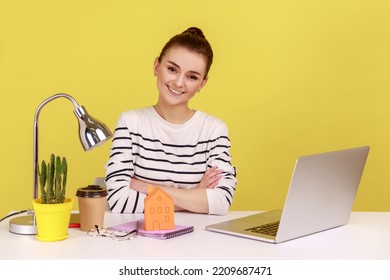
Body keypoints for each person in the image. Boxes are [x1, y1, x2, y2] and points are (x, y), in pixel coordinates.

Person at [105, 27, 237, 215]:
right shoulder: (130, 123)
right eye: (172, 69)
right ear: (156, 66)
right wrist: (195, 196)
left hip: (198, 241)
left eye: (192, 77)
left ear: (203, 83)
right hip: (140, 241)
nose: (179, 83)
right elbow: (119, 200)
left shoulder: (213, 130)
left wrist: (143, 186)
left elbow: (221, 202)